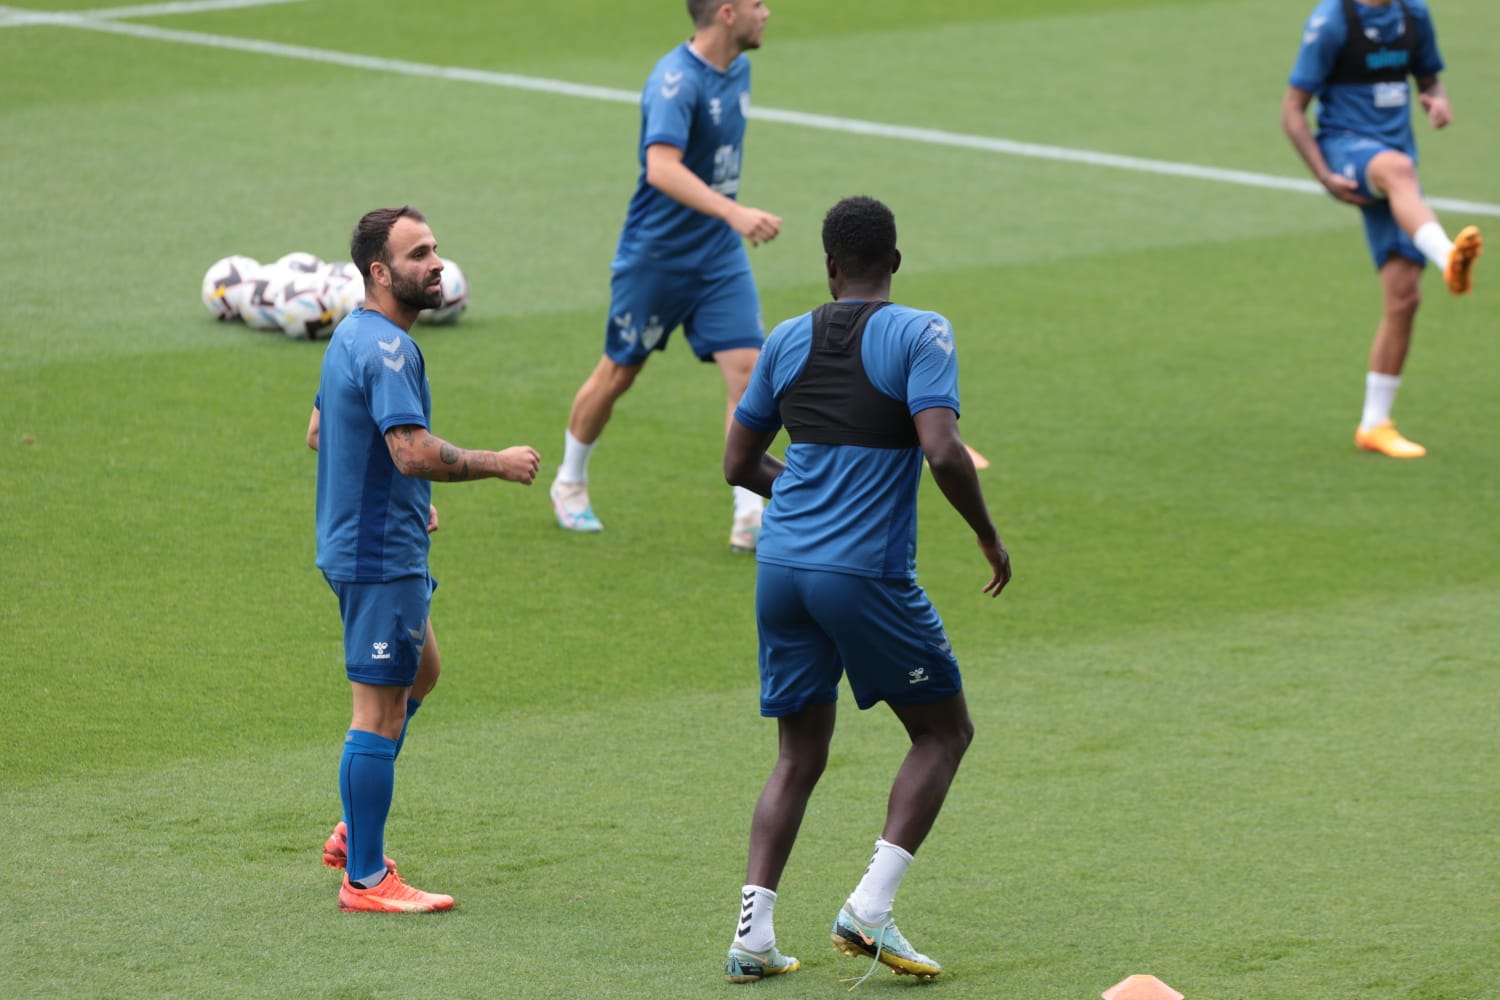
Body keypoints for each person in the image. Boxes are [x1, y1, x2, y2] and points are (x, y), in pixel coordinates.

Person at [720, 196, 1011, 984]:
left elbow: (739, 465)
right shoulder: (921, 332)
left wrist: (805, 500)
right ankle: (870, 909)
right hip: (862, 573)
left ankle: (752, 934)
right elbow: (944, 450)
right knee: (944, 733)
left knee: (797, 755)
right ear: (896, 262)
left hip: (780, 570)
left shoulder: (784, 339)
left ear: (829, 267)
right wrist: (985, 532)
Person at [308, 205, 540, 912]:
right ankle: (367, 879)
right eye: (418, 254)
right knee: (376, 712)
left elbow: (322, 428)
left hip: (372, 539)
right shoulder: (388, 349)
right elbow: (409, 451)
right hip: (377, 554)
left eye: (435, 249)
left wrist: (400, 500)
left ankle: (357, 828)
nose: (436, 263)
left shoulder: (353, 331)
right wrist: (496, 463)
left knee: (422, 674)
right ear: (380, 272)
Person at [549, 0, 781, 551]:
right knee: (619, 374)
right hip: (657, 258)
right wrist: (734, 211)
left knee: (748, 373)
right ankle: (569, 481)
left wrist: (726, 222)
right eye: (756, 4)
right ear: (726, 13)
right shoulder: (675, 82)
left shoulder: (739, 68)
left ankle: (750, 512)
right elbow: (661, 168)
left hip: (719, 257)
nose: (767, 12)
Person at [1282, 0, 1482, 459]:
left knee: (1404, 298)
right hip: (1345, 149)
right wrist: (1323, 176)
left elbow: (1427, 76)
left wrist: (1438, 99)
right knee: (1398, 170)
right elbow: (1292, 110)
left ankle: (1375, 425)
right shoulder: (1333, 21)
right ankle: (1449, 256)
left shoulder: (1413, 15)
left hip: (1396, 162)